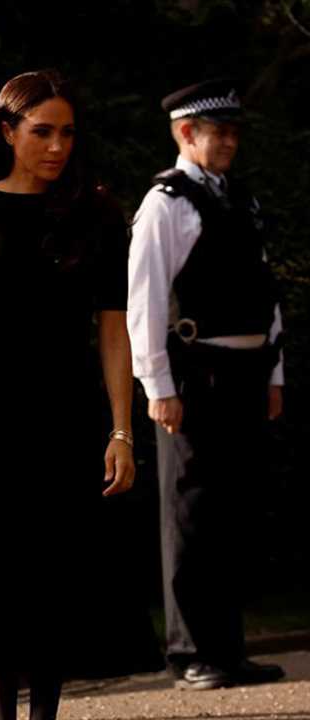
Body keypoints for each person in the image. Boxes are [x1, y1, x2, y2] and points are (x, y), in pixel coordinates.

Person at [0, 70, 162, 720]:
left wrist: (121, 429)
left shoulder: (98, 215)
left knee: (53, 577)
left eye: (67, 133)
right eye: (42, 131)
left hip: (69, 414)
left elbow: (114, 327)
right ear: (7, 131)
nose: (57, 146)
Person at [128, 79, 286, 691]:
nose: (228, 142)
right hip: (195, 378)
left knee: (234, 514)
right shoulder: (165, 203)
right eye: (216, 131)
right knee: (190, 514)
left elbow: (266, 295)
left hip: (247, 375)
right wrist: (157, 386)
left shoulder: (239, 201)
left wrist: (274, 373)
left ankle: (227, 649)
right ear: (184, 134)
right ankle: (190, 651)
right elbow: (143, 301)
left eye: (233, 131)